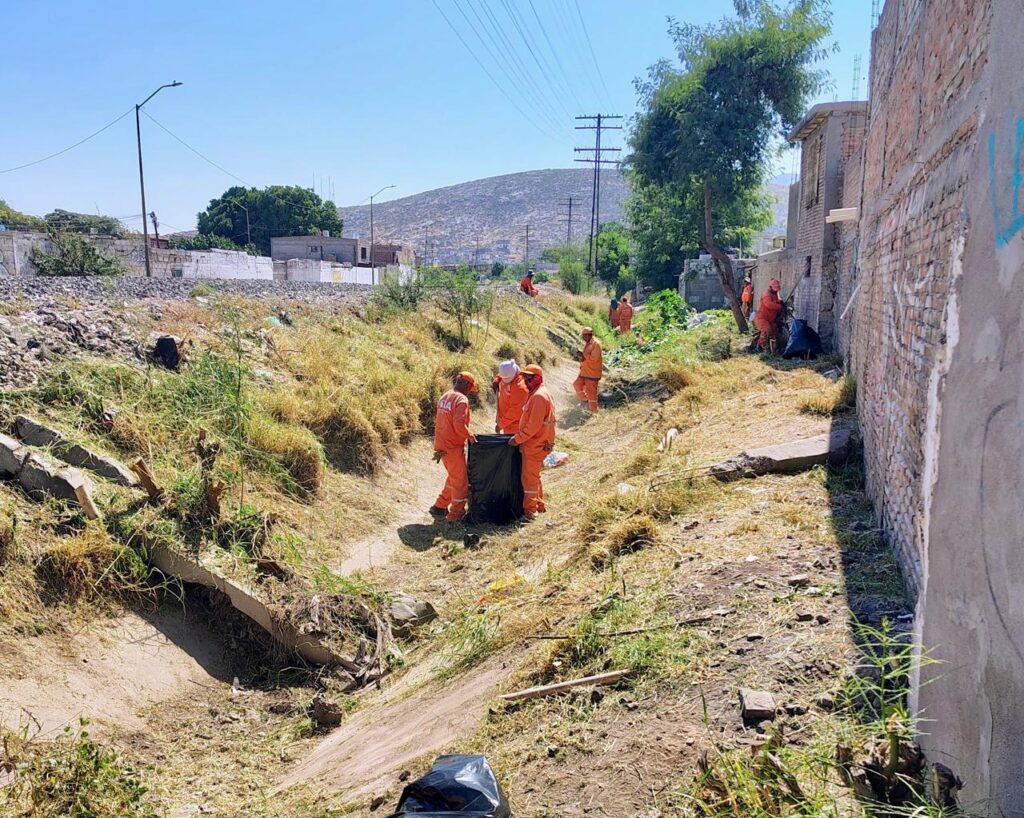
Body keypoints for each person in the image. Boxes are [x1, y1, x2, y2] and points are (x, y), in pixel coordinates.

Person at [509, 364, 556, 519]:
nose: (526, 381)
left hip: (535, 444)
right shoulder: (541, 393)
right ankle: (540, 504)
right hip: (540, 442)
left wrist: (517, 439)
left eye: (530, 378)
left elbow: (533, 426)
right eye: (525, 378)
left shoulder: (538, 397)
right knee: (534, 476)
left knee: (529, 479)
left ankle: (530, 512)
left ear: (538, 378)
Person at [429, 372, 478, 523]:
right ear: (467, 386)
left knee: (454, 476)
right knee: (460, 482)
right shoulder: (462, 400)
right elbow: (458, 424)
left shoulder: (446, 396)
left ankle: (440, 506)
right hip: (452, 446)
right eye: (470, 389)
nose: (470, 392)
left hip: (441, 444)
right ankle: (455, 514)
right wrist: (470, 436)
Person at [492, 359, 529, 434]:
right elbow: (502, 374)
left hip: (516, 426)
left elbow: (515, 411)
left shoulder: (520, 388)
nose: (505, 380)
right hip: (506, 422)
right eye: (503, 378)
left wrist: (501, 425)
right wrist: (497, 379)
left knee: (513, 444)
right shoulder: (509, 371)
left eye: (507, 379)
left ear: (515, 374)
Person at [573, 327, 603, 413]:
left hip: (592, 373)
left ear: (588, 335)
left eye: (584, 336)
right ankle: (585, 400)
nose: (583, 338)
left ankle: (593, 412)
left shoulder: (596, 344)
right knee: (577, 385)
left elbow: (593, 358)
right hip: (585, 371)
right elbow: (586, 356)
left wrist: (583, 355)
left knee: (592, 394)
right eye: (583, 336)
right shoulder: (588, 343)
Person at [754, 278, 784, 353]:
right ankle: (760, 348)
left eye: (777, 289)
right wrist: (779, 306)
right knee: (767, 330)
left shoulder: (775, 294)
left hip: (770, 319)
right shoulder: (766, 294)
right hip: (762, 318)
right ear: (771, 287)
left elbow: (777, 300)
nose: (777, 290)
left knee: (774, 332)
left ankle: (772, 350)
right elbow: (769, 304)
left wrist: (780, 302)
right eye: (775, 288)